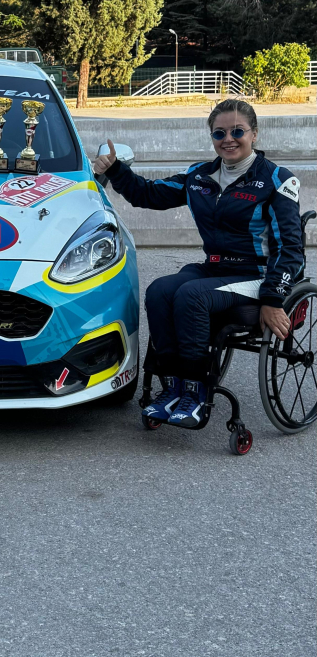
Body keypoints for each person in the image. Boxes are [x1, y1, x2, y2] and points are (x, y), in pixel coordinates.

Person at [93, 98, 302, 428]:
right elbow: (149, 194)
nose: (228, 139)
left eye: (237, 131)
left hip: (257, 273)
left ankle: (196, 391)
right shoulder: (199, 176)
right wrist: (116, 169)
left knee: (192, 296)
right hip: (216, 268)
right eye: (219, 133)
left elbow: (290, 248)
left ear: (254, 134)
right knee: (160, 290)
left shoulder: (277, 180)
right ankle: (172, 387)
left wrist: (274, 300)